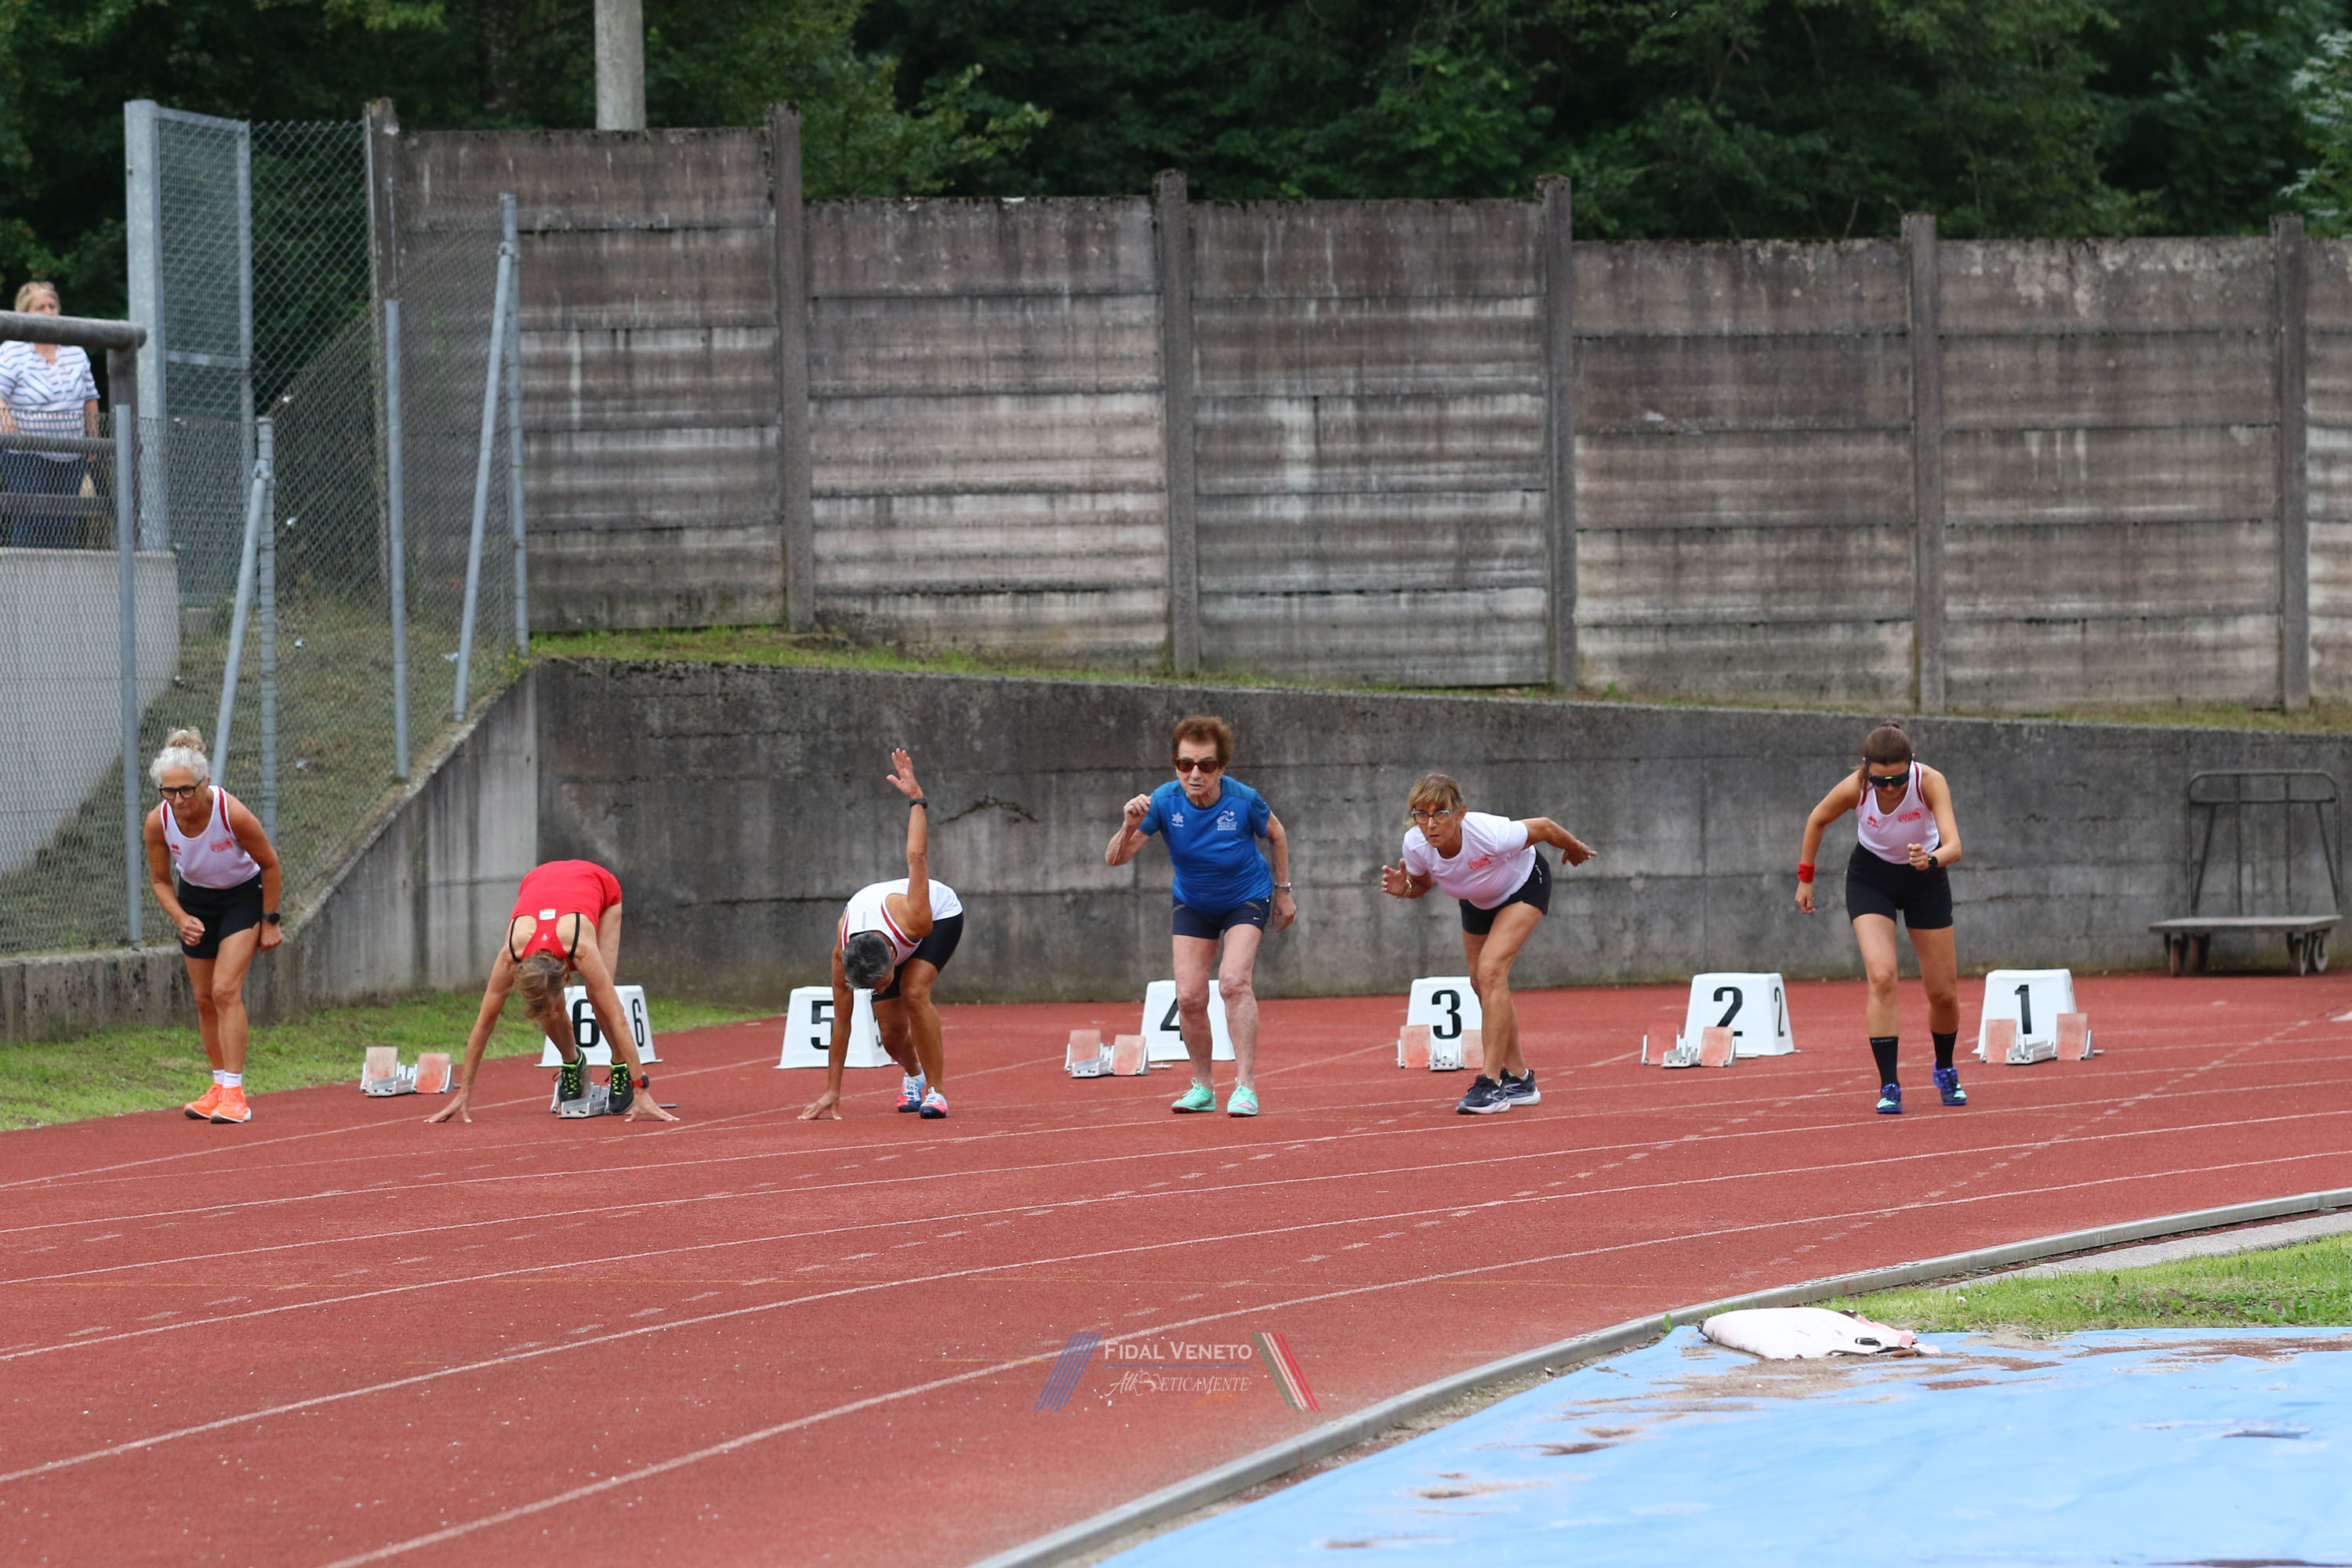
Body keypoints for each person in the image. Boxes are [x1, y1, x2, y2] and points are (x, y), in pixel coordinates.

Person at [1105, 715, 1294, 1116]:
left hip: (1246, 896)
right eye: (1185, 763)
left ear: (1221, 768)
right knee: (1189, 996)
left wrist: (1284, 892)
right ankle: (1204, 1087)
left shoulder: (1244, 800)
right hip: (1193, 902)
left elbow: (1277, 835)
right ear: (1175, 764)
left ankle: (1245, 1086)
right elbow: (1115, 859)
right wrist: (1129, 825)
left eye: (1206, 765)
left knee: (1233, 982)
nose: (1195, 773)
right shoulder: (1163, 802)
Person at [1378, 775, 1596, 1114]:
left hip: (1523, 887)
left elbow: (1544, 827)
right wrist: (1405, 888)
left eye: (1440, 814)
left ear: (1460, 814)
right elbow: (1422, 883)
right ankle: (1521, 1079)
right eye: (1421, 814)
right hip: (1475, 901)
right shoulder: (1416, 844)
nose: (1431, 824)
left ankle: (1491, 1083)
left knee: (1492, 971)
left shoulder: (1490, 834)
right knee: (1480, 982)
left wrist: (1574, 847)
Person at [1795, 720, 1966, 1115]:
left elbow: (1954, 846)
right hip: (1871, 879)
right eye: (1881, 780)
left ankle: (1945, 1068)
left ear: (1912, 763)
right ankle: (1889, 1084)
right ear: (1866, 768)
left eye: (1898, 779)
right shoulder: (1856, 787)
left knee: (1943, 991)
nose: (1890, 788)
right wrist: (1805, 878)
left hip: (1925, 878)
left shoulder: (1929, 782)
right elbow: (1817, 819)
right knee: (1883, 976)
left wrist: (1931, 859)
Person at [426, 858, 678, 1124]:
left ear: (566, 979)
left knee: (599, 998)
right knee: (547, 1007)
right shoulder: (511, 955)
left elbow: (619, 1018)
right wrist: (463, 1093)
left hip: (599, 886)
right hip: (538, 880)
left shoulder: (581, 948)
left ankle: (620, 1065)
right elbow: (483, 1025)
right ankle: (572, 1060)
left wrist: (640, 1087)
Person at [801, 749, 963, 1121]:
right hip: (883, 936)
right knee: (890, 1035)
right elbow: (842, 1023)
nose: (876, 990)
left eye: (880, 984)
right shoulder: (843, 956)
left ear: (893, 960)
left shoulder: (916, 919)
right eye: (871, 987)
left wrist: (917, 799)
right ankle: (914, 1076)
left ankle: (936, 1091)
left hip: (940, 916)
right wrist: (832, 1090)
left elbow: (916, 857)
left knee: (914, 991)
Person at [143, 729, 282, 1124]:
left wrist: (270, 921)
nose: (178, 800)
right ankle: (219, 1086)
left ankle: (235, 1094)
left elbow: (270, 864)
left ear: (205, 782)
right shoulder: (157, 822)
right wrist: (181, 917)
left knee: (224, 990)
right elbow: (160, 880)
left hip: (242, 898)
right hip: (196, 902)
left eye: (186, 790)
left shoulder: (230, 812)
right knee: (204, 998)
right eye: (169, 792)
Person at [1, 281, 103, 548]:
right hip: (26, 453)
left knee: (63, 523)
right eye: (40, 308)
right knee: (30, 521)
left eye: (52, 306)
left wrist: (92, 438)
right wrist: (5, 417)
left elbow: (90, 397)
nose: (48, 312)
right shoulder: (13, 349)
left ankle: (59, 571)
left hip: (71, 452)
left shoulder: (75, 350)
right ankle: (22, 573)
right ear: (25, 313)